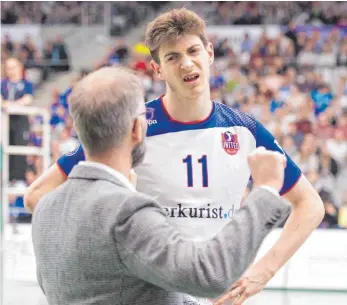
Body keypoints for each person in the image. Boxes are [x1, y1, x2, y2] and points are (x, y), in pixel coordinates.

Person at [25, 8, 324, 305]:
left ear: (209, 53)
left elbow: (310, 204)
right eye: (172, 57)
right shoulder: (136, 125)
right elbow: (38, 194)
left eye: (193, 51)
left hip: (218, 291)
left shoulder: (245, 129)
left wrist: (262, 272)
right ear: (157, 69)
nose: (187, 63)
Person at [32, 66, 291, 305]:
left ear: (78, 127)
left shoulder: (46, 209)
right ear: (137, 128)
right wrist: (265, 191)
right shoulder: (126, 211)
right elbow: (209, 275)